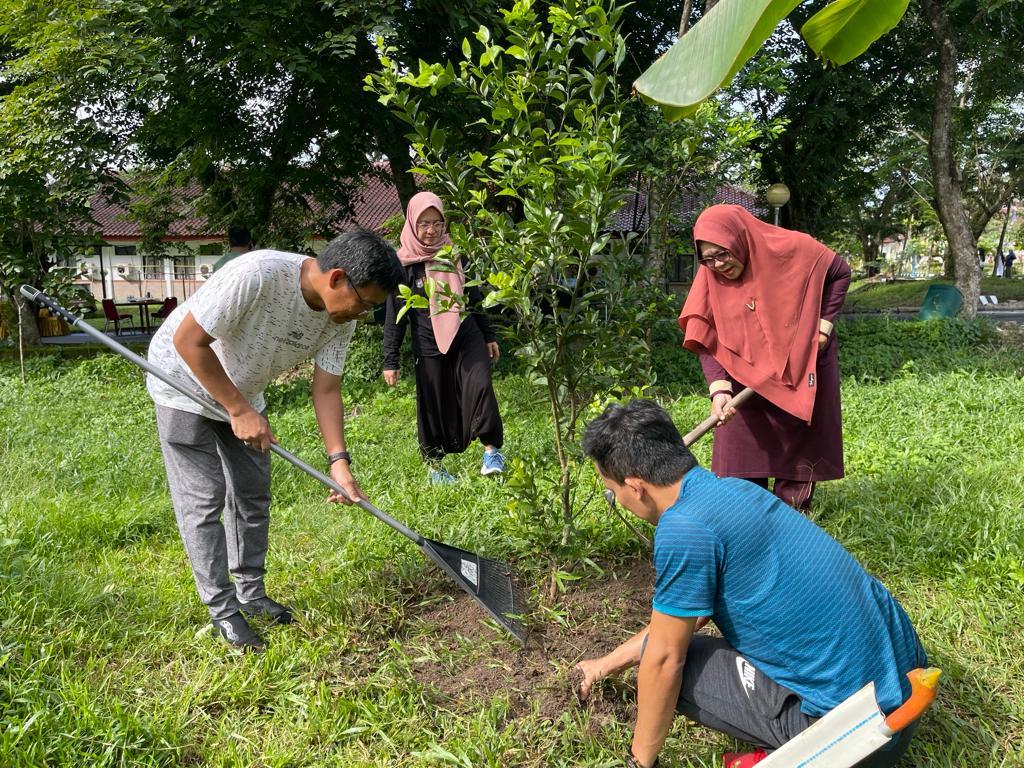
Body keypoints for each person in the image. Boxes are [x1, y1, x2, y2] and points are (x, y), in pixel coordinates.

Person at [576, 399, 928, 768]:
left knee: (674, 665)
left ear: (635, 487)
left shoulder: (684, 529)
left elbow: (665, 657)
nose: (619, 501)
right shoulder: (735, 493)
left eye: (612, 493)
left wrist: (639, 762)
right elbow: (689, 616)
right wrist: (605, 664)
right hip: (905, 692)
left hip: (855, 741)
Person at [146, 231, 403, 650]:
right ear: (338, 278)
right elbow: (188, 341)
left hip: (243, 392)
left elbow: (326, 390)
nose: (363, 314)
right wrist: (238, 410)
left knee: (252, 494)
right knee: (204, 500)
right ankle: (223, 612)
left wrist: (339, 462)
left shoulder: (339, 318)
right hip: (182, 382)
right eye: (366, 304)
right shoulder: (257, 274)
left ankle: (250, 592)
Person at [678, 204, 851, 511]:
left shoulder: (791, 248)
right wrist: (719, 389)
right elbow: (706, 336)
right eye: (708, 258)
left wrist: (823, 327)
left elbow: (840, 272)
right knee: (741, 458)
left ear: (739, 239)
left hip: (799, 364)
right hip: (743, 375)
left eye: (723, 254)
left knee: (798, 445)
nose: (717, 265)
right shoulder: (710, 276)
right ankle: (752, 517)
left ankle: (792, 516)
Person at [382, 191, 505, 484]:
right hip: (428, 344)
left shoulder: (455, 253)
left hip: (466, 336)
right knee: (433, 403)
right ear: (412, 223)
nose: (431, 230)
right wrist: (390, 359)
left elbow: (474, 297)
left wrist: (488, 335)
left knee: (481, 385)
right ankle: (436, 468)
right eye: (424, 224)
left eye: (437, 223)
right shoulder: (403, 265)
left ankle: (491, 452)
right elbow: (395, 315)